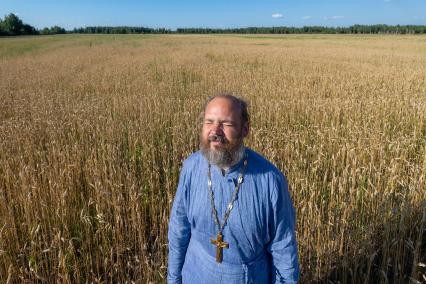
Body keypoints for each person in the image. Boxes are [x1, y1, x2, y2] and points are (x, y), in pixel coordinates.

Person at [167, 94, 299, 283]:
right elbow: (178, 231)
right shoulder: (191, 167)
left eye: (226, 124)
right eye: (209, 122)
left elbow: (283, 250)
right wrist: (173, 279)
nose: (215, 131)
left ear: (245, 129)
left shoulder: (270, 181)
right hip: (195, 275)